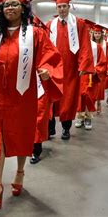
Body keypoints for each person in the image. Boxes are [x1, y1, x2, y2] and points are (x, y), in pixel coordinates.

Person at [0, 0, 62, 211]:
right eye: (6, 5)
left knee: (22, 135)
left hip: (23, 96)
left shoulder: (36, 34)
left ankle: (20, 173)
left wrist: (46, 70)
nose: (10, 8)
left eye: (15, 4)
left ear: (23, 8)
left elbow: (51, 57)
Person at [45, 0, 94, 140]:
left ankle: (66, 129)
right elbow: (45, 47)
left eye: (64, 6)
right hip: (54, 68)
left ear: (69, 6)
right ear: (56, 8)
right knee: (51, 98)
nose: (62, 9)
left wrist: (83, 65)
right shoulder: (50, 25)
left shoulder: (78, 24)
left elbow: (85, 45)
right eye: (59, 7)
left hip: (71, 69)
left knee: (68, 99)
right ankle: (50, 128)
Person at [31, 15, 63, 164]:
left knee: (38, 113)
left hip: (38, 81)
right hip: (19, 83)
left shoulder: (40, 36)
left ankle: (35, 149)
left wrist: (47, 70)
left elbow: (52, 57)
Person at [76, 24, 107, 129]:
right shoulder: (77, 46)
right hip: (80, 76)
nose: (88, 34)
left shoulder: (97, 47)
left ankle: (88, 117)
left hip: (91, 77)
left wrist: (95, 71)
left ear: (91, 34)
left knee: (90, 96)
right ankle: (79, 116)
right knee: (80, 97)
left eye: (90, 32)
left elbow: (102, 62)